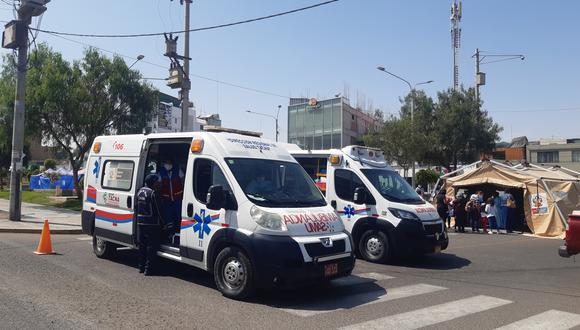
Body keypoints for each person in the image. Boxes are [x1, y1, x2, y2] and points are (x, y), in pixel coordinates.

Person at [136, 174, 162, 275]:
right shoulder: (152, 193)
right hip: (152, 224)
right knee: (151, 247)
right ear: (152, 183)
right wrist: (164, 223)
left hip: (141, 222)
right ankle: (148, 269)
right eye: (156, 182)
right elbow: (159, 210)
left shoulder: (140, 192)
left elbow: (136, 207)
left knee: (142, 246)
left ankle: (141, 267)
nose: (158, 183)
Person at [158, 159, 184, 231]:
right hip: (167, 199)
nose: (168, 165)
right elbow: (159, 185)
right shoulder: (161, 172)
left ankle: (178, 230)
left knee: (179, 215)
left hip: (177, 198)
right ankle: (169, 232)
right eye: (167, 163)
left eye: (170, 163)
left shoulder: (177, 170)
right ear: (164, 163)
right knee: (168, 216)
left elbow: (183, 180)